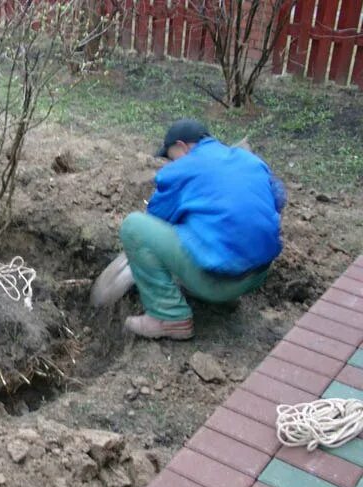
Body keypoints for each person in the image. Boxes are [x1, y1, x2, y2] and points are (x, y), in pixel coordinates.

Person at [120, 118, 285, 340]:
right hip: (258, 274)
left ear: (182, 146)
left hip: (219, 282)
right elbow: (278, 199)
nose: (171, 163)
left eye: (170, 156)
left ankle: (170, 316)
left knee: (134, 226)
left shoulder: (183, 169)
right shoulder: (249, 160)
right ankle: (222, 294)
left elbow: (157, 218)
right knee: (207, 224)